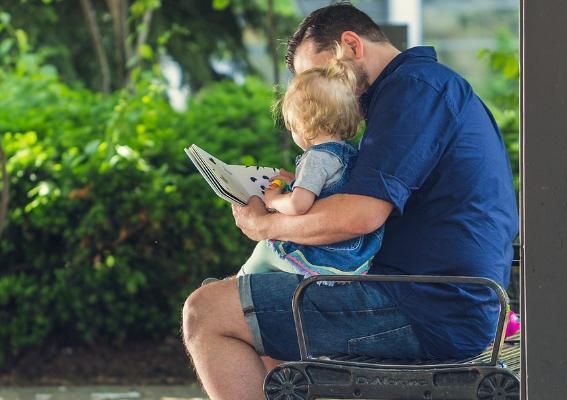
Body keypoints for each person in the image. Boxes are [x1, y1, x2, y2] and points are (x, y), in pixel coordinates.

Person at [182, 3, 518, 400]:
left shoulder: (414, 89)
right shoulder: (419, 89)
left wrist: (264, 225)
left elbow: (360, 215)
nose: (317, 95)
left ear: (352, 45)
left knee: (206, 311)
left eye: (320, 77)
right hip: (435, 298)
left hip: (427, 307)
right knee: (258, 324)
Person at [238, 47, 383, 279]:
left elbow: (298, 206)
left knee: (266, 248)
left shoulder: (315, 158)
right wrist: (296, 181)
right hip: (355, 256)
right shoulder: (348, 153)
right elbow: (325, 190)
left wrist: (274, 199)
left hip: (328, 257)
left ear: (302, 124)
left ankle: (237, 283)